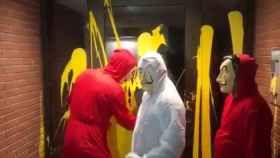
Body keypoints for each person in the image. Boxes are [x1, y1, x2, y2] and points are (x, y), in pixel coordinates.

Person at [63, 49, 137, 158]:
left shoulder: (85, 74)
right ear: (122, 68)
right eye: (130, 72)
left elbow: (70, 100)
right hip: (90, 141)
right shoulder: (114, 89)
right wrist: (144, 122)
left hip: (70, 135)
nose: (129, 77)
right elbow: (126, 120)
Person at [126, 52, 186, 158]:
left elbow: (173, 146)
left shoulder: (169, 102)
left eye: (148, 72)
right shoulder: (149, 94)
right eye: (140, 72)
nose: (143, 78)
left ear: (159, 72)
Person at [215, 54, 273, 158]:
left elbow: (257, 152)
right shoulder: (230, 98)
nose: (218, 79)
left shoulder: (256, 109)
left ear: (241, 75)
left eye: (225, 72)